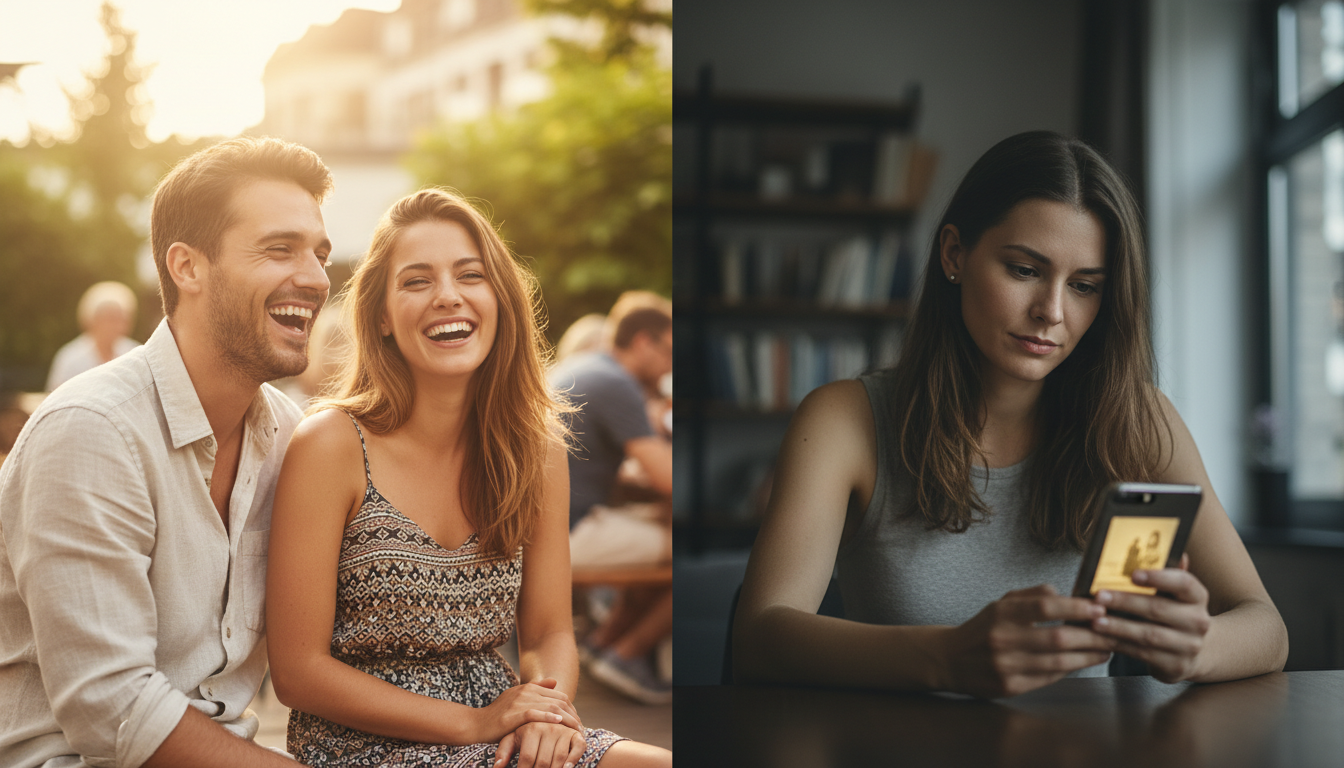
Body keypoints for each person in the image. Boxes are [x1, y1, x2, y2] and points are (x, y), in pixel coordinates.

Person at [733, 131, 1289, 698]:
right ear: (955, 255)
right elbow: (756, 638)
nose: (1052, 312)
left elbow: (1266, 627)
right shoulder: (843, 420)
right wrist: (946, 658)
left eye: (1084, 286)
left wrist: (1197, 648)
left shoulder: (1138, 420)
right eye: (1025, 270)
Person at [266, 188, 671, 768]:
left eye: (469, 275)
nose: (448, 297)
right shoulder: (330, 443)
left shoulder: (536, 446)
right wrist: (471, 723)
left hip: (504, 718)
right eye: (416, 281)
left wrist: (548, 714)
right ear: (381, 315)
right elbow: (298, 673)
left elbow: (550, 632)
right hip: (365, 743)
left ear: (500, 298)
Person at [0, 136, 333, 766]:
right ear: (187, 268)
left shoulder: (290, 435)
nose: (316, 278)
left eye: (319, 254)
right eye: (278, 249)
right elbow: (113, 709)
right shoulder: (92, 430)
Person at [548, 297, 673, 704]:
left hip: (544, 526)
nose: (672, 365)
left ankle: (603, 644)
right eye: (670, 352)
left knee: (657, 524)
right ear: (642, 343)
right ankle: (627, 655)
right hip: (561, 535)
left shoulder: (586, 367)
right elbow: (670, 479)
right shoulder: (617, 383)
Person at [46, 279, 141, 391]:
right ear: (93, 320)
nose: (117, 326)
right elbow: (54, 397)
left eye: (122, 319)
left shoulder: (135, 353)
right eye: (111, 319)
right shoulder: (70, 357)